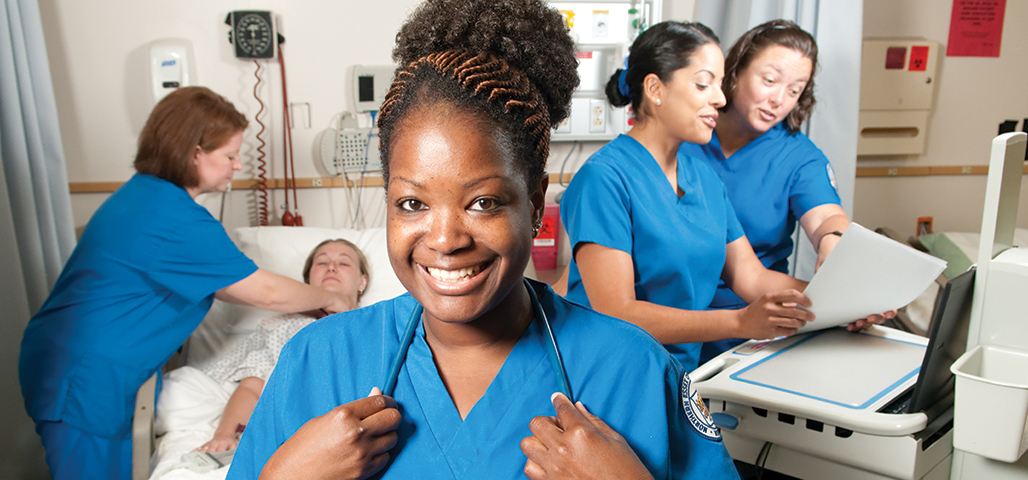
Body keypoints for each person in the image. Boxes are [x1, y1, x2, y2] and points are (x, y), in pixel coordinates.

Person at [227, 0, 739, 478]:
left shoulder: (633, 368)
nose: (445, 239)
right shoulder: (319, 361)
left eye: (483, 202)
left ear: (536, 204)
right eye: (412, 204)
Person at [18, 87, 356, 480]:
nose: (235, 168)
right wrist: (330, 299)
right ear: (195, 152)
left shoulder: (147, 198)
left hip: (90, 369)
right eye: (229, 156)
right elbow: (263, 291)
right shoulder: (171, 218)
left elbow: (226, 285)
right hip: (85, 376)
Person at [560, 21, 821, 372]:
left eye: (718, 83)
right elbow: (617, 311)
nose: (720, 98)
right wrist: (740, 323)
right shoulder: (604, 178)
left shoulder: (703, 179)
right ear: (655, 88)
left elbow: (751, 278)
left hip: (679, 374)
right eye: (703, 83)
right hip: (609, 374)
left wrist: (842, 301)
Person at [676, 20, 890, 362]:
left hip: (755, 320)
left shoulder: (799, 157)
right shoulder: (683, 134)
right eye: (770, 80)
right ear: (735, 70)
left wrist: (835, 246)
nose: (778, 100)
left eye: (794, 90)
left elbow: (826, 216)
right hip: (670, 316)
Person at [196, 239, 369, 454]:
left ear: (362, 282)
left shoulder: (375, 326)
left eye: (344, 263)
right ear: (308, 279)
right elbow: (252, 386)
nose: (332, 267)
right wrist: (224, 435)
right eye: (322, 263)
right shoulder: (281, 327)